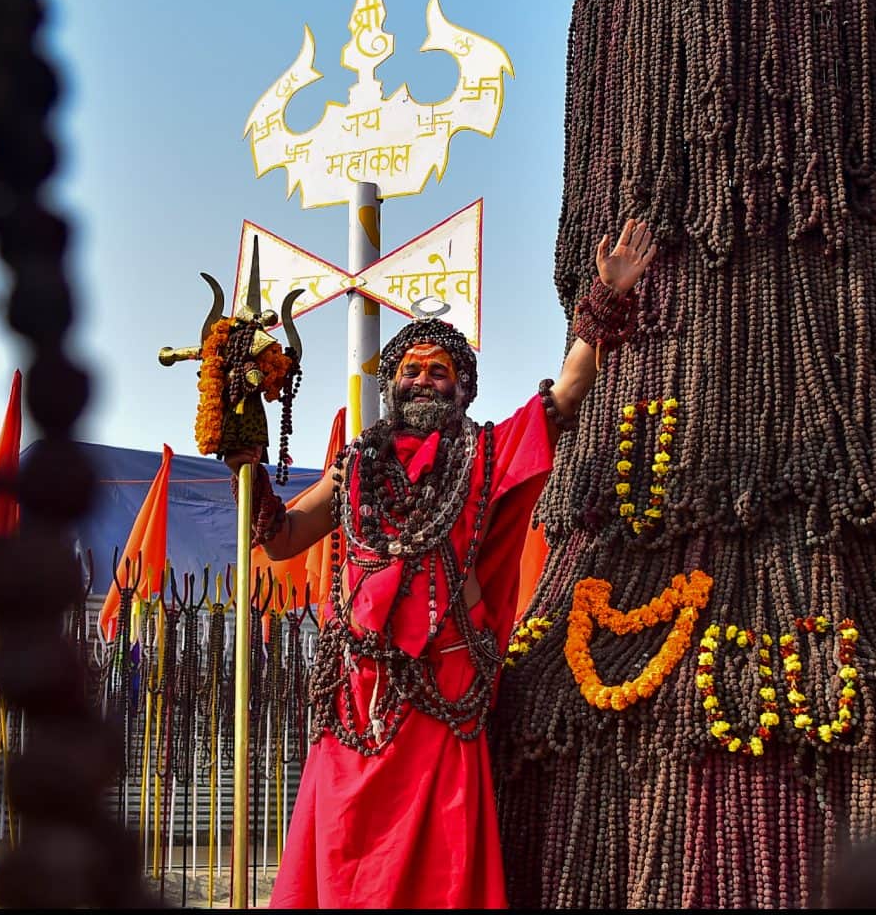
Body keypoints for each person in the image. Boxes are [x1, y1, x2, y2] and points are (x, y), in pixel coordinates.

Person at [224, 219, 656, 908]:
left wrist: (602, 299)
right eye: (411, 370)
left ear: (462, 389)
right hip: (356, 696)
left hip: (442, 688)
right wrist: (243, 458)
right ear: (392, 384)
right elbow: (279, 541)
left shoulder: (485, 454)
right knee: (338, 853)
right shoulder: (355, 466)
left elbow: (568, 395)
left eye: (439, 371)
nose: (424, 380)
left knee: (439, 867)